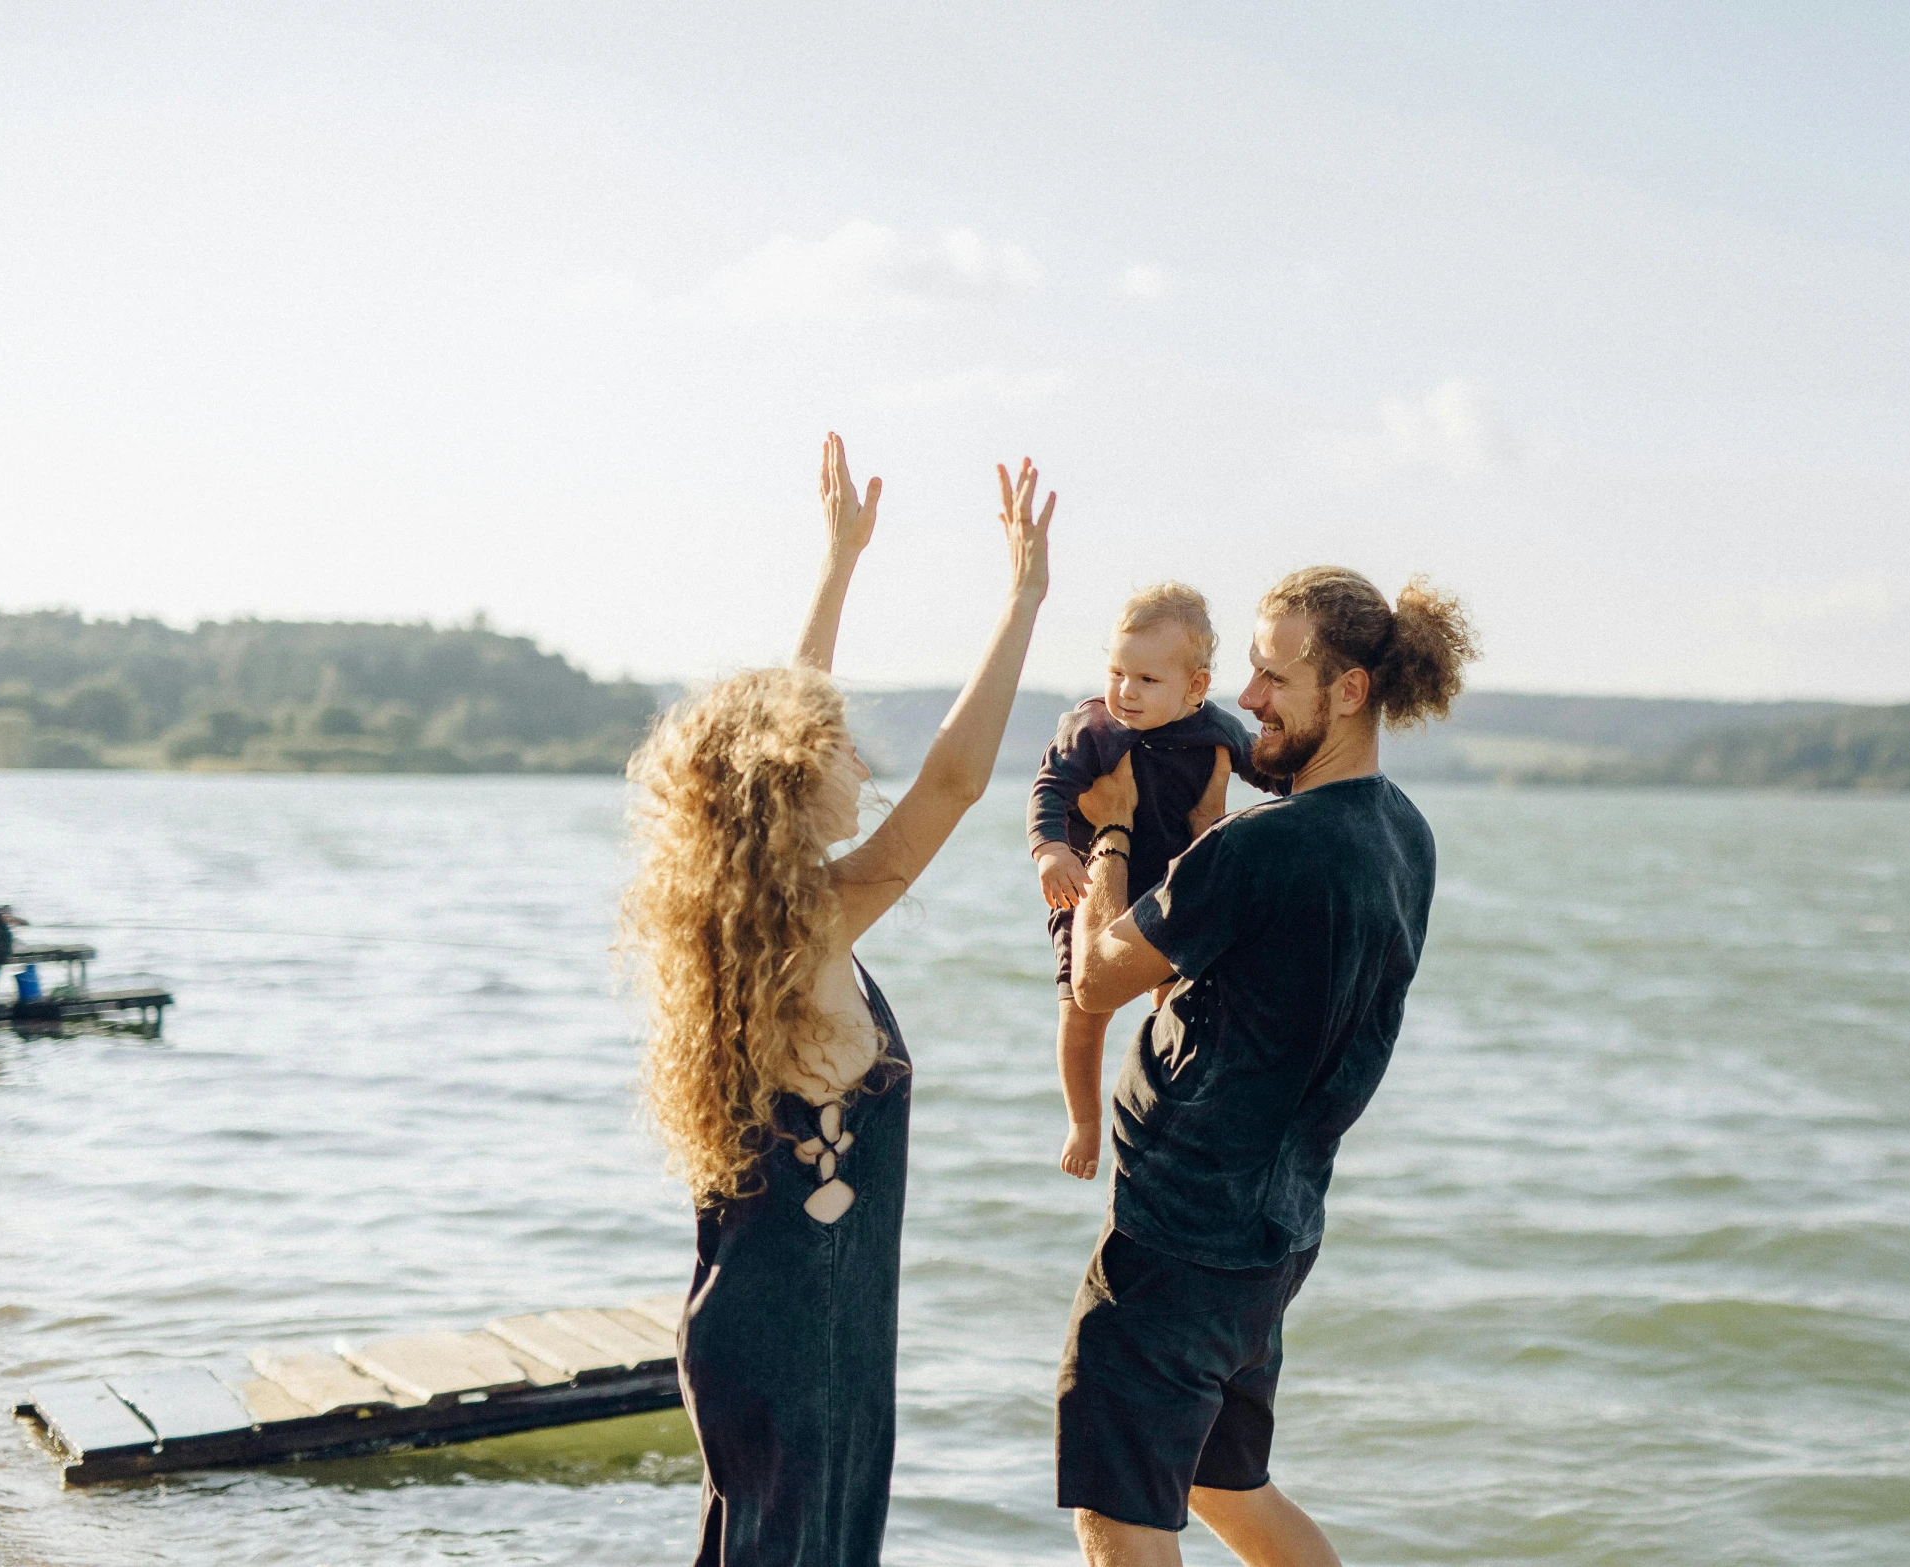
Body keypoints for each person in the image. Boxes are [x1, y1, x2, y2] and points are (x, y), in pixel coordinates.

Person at [622, 434, 1054, 1567]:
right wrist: (1023, 602)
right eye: (839, 753)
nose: (861, 768)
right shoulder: (802, 930)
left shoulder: (749, 927)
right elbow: (955, 783)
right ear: (786, 782)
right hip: (802, 1341)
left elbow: (775, 726)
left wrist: (840, 563)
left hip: (782, 1326)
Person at [1058, 566, 1478, 1567]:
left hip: (1180, 1238)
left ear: (1347, 691)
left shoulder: (1260, 846)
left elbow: (1096, 977)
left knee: (1119, 1515)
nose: (1243, 698)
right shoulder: (1402, 834)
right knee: (1222, 1484)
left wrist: (1112, 823)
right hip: (1271, 1232)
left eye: (1269, 675)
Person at [1027, 583, 1282, 1179]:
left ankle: (1166, 1099)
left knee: (1176, 997)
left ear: (1195, 687)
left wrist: (1305, 794)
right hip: (1090, 886)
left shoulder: (1216, 730)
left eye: (1147, 679)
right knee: (1081, 1008)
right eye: (1118, 671)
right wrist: (1050, 851)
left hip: (1166, 888)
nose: (1125, 691)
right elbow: (1049, 788)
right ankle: (1085, 1121)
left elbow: (1269, 776)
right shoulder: (1092, 728)